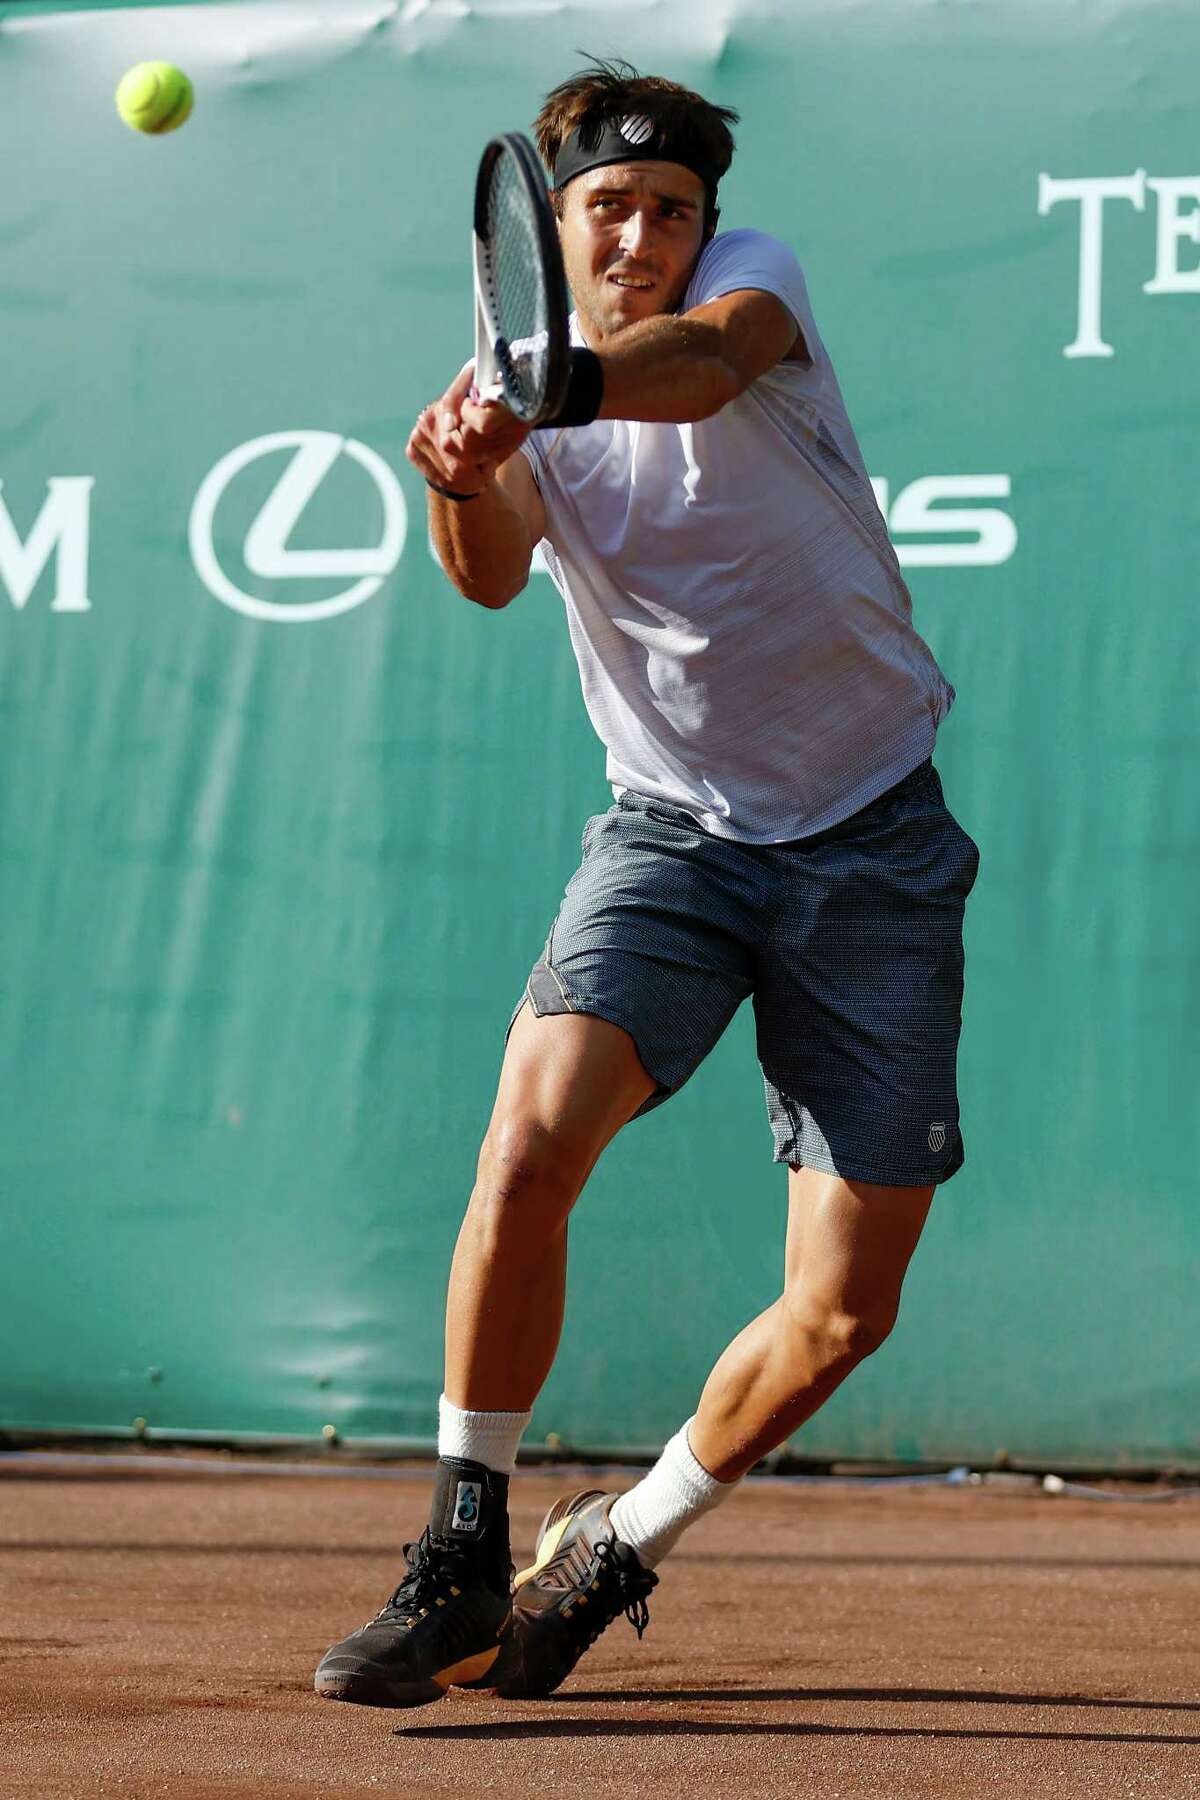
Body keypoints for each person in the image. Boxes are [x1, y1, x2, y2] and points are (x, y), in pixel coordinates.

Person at [314, 56, 979, 1711]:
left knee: (842, 1313)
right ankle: (460, 1545)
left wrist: (544, 388)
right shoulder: (505, 376)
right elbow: (483, 579)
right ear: (555, 222)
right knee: (530, 1140)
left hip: (872, 836)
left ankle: (616, 1544)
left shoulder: (752, 295)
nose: (645, 240)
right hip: (670, 832)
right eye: (610, 210)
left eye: (672, 212)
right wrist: (457, 474)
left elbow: (695, 369)